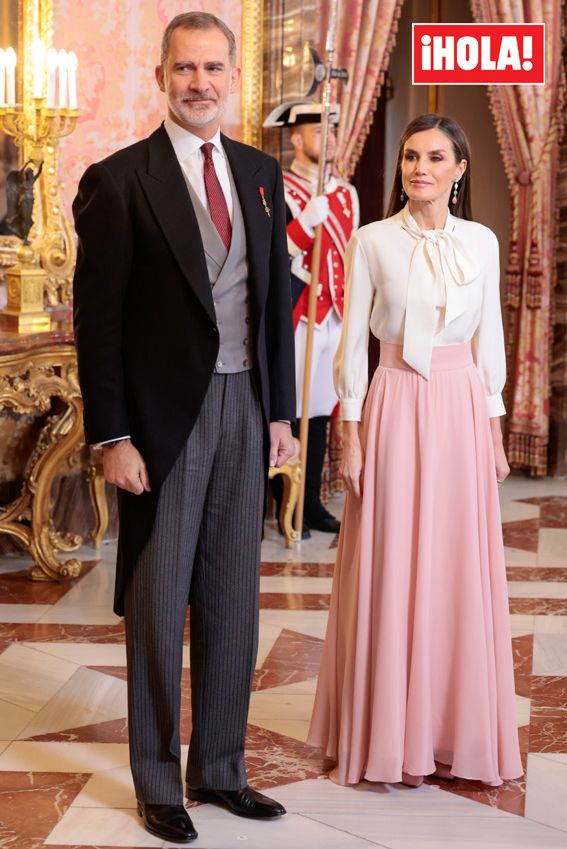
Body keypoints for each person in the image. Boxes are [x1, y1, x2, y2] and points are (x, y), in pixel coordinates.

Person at [73, 12, 296, 844]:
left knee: (234, 597)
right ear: (160, 77)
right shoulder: (119, 179)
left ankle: (222, 769)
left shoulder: (259, 172)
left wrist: (279, 410)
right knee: (161, 601)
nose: (199, 81)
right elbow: (97, 323)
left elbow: (273, 302)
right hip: (162, 423)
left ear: (231, 76)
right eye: (184, 68)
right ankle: (158, 780)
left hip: (245, 405)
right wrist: (112, 434)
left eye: (212, 67)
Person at [308, 114, 523, 788]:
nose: (419, 168)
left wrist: (491, 426)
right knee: (389, 558)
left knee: (457, 561)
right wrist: (351, 433)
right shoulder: (370, 240)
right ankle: (385, 730)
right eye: (409, 157)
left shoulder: (481, 242)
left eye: (435, 157)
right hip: (394, 399)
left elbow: (489, 337)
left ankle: (452, 728)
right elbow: (351, 346)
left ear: (460, 169)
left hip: (460, 404)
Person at [263, 101, 359, 536]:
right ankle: (286, 506)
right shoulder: (278, 186)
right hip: (298, 314)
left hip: (334, 314)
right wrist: (304, 222)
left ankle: (312, 504)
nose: (329, 140)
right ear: (297, 139)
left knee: (319, 410)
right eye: (319, 132)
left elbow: (352, 253)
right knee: (289, 409)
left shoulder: (346, 192)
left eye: (332, 132)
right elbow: (272, 256)